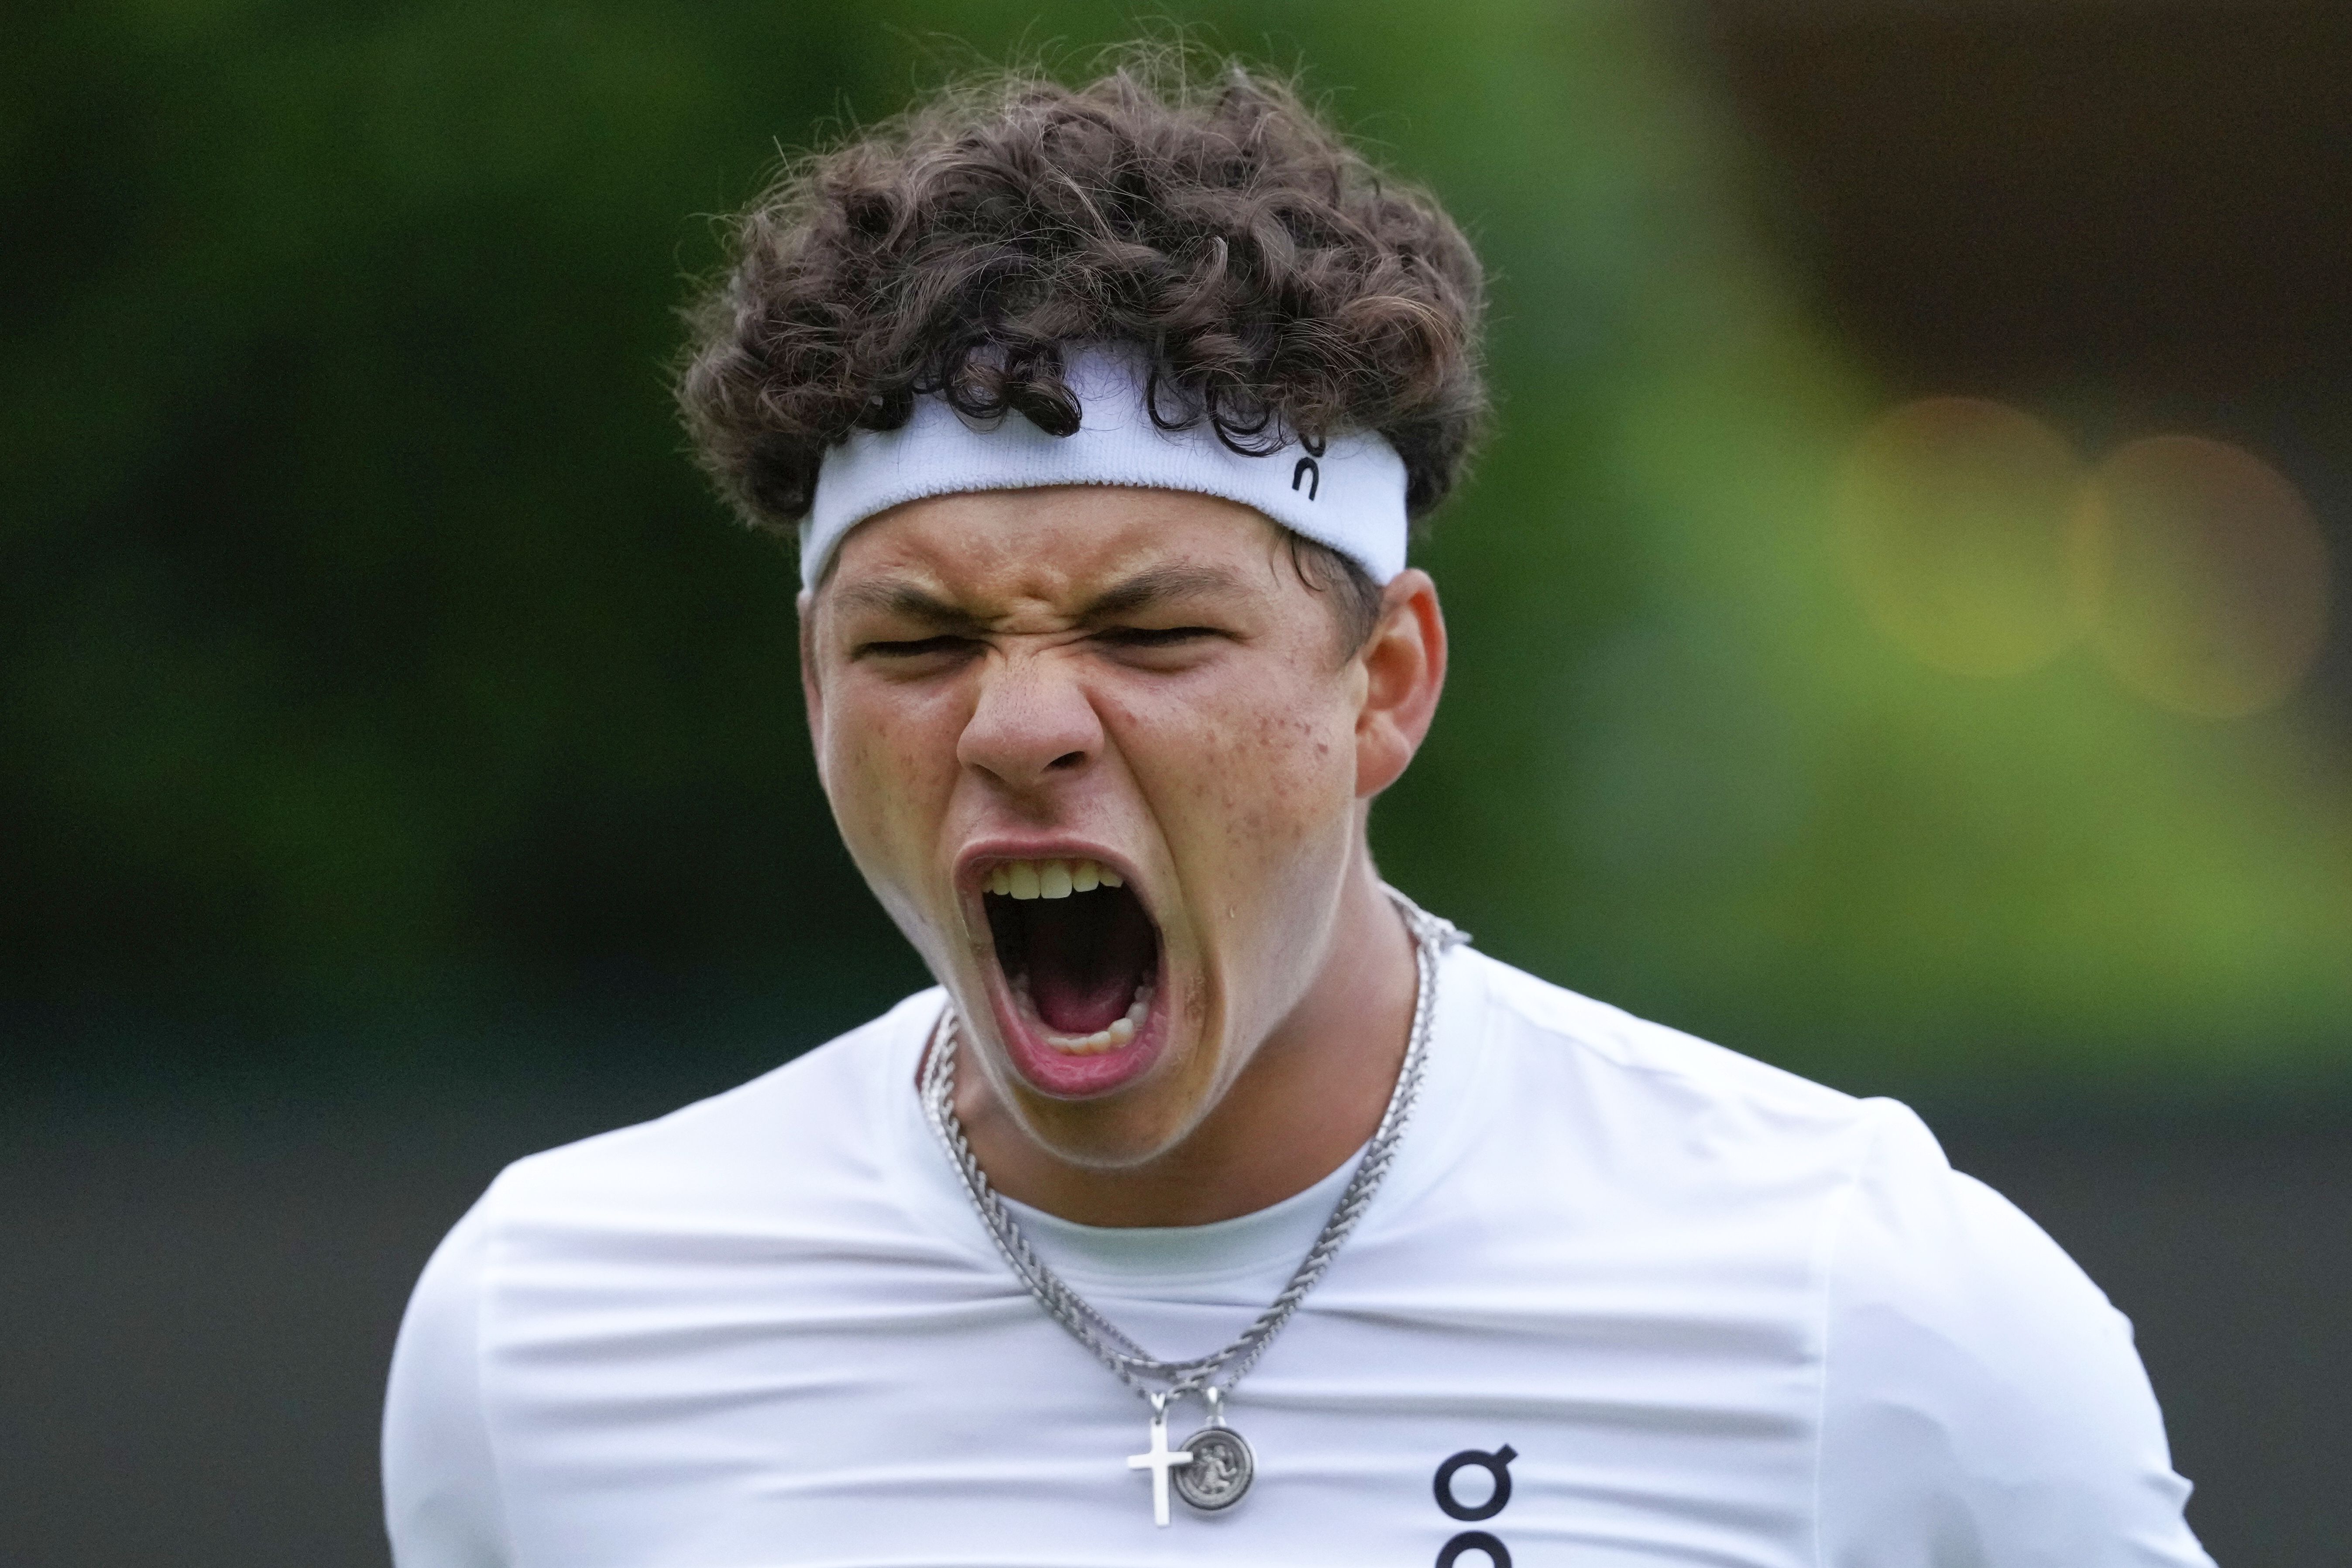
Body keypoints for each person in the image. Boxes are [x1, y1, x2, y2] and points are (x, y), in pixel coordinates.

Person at [381, 57, 2214, 1567]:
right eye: (917, 642)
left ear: (1384, 682)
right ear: (813, 688)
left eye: (1151, 631)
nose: (1018, 726)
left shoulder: (1872, 1304)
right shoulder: (555, 1330)